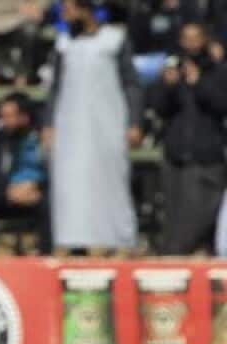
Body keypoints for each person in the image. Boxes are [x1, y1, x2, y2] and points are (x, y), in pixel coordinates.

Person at [44, 0, 142, 254]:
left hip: (107, 123)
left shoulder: (114, 40)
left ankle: (117, 241)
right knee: (69, 184)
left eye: (69, 8)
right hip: (70, 126)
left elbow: (131, 83)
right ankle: (70, 241)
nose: (65, 14)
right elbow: (54, 88)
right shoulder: (64, 44)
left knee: (110, 182)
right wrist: (48, 123)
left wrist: (134, 121)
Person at [147, 21, 227, 255]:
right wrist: (168, 86)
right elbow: (159, 108)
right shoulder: (172, 71)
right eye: (186, 38)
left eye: (196, 37)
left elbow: (222, 105)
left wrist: (199, 83)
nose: (191, 43)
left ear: (205, 40)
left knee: (195, 223)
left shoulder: (218, 71)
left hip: (206, 159)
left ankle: (174, 258)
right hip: (176, 157)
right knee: (174, 219)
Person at [0, 91, 49, 255]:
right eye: (2, 116)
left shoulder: (43, 137)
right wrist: (8, 189)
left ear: (24, 117)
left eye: (9, 116)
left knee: (50, 203)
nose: (4, 121)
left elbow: (54, 171)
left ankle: (45, 255)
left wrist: (36, 186)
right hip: (7, 193)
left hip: (36, 193)